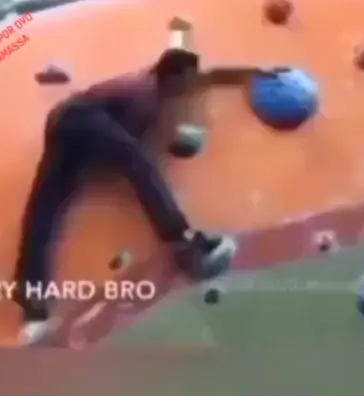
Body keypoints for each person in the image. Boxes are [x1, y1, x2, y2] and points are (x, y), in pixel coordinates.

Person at [13, 48, 236, 341]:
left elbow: (114, 140)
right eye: (186, 81)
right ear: (173, 77)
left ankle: (31, 305)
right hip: (83, 118)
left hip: (61, 122)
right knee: (141, 166)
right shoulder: (146, 93)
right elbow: (129, 147)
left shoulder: (143, 85)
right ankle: (187, 245)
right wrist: (173, 141)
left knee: (45, 206)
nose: (187, 89)